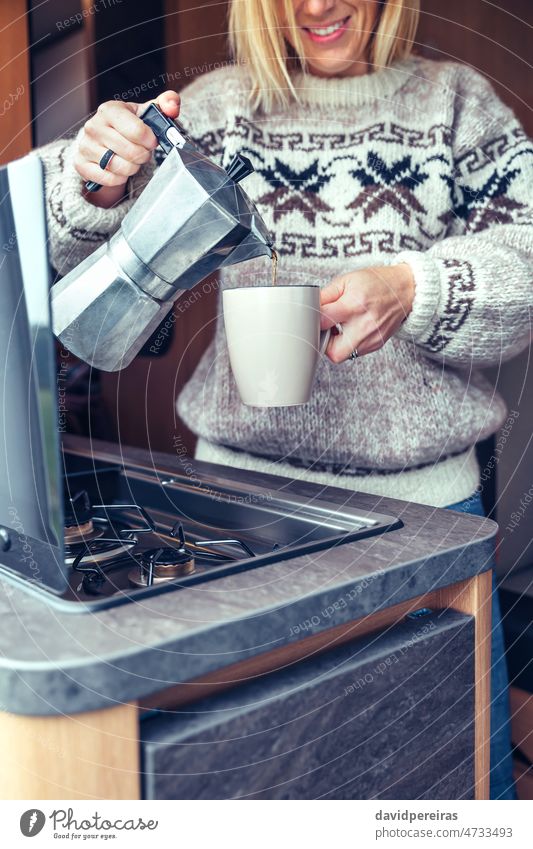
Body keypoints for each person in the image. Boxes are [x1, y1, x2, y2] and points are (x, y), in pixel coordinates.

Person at [41, 0, 532, 798]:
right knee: (262, 780)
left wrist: (416, 286)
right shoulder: (215, 110)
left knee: (441, 782)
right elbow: (54, 245)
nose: (313, 4)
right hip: (232, 506)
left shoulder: (456, 101)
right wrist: (92, 177)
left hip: (424, 515)